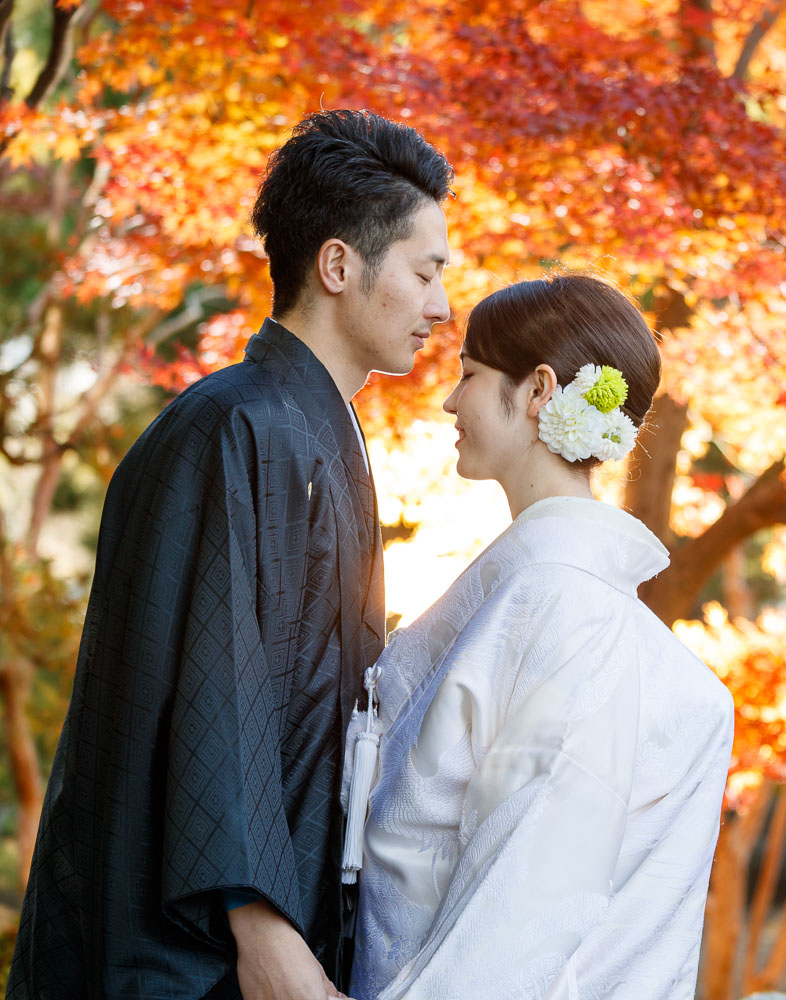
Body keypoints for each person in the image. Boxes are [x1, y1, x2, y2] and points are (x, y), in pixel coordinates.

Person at [8, 109, 453, 1000]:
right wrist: (261, 926)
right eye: (425, 271)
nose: (441, 307)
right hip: (204, 949)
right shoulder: (234, 428)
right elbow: (215, 688)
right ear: (338, 265)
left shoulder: (311, 434)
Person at [346, 274, 735, 999]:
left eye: (468, 374)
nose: (449, 400)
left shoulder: (565, 606)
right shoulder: (554, 594)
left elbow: (526, 897)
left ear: (538, 391)